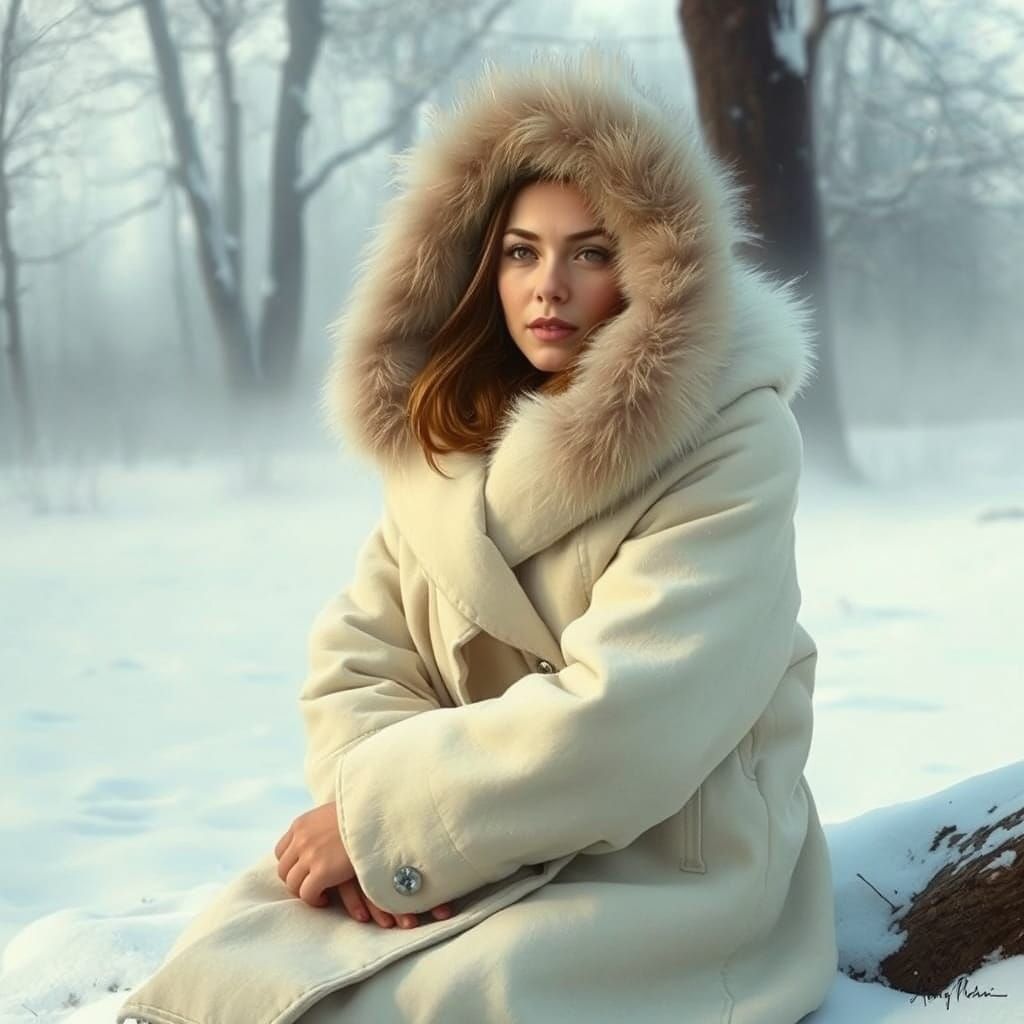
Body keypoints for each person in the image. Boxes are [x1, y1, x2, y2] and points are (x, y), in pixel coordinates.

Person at [118, 46, 838, 1024]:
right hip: (458, 845)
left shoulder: (731, 435)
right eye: (521, 252)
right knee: (218, 975)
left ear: (650, 269)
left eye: (591, 252)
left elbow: (633, 716)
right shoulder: (448, 429)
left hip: (670, 865)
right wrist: (383, 846)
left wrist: (396, 829)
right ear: (477, 264)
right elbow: (361, 655)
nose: (549, 286)